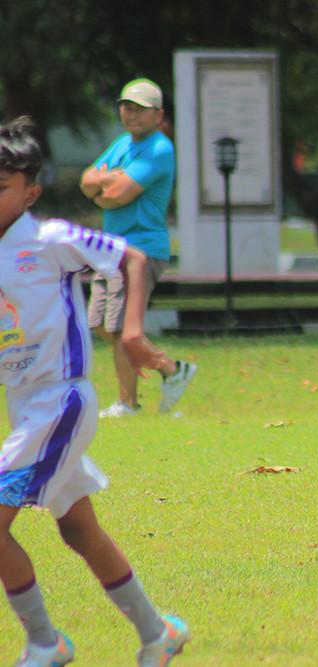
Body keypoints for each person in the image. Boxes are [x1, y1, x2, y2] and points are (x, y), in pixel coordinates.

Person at [0, 118, 190, 666]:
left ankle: (44, 642)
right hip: (25, 406)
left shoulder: (49, 239)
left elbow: (129, 256)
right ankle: (159, 634)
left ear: (29, 192)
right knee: (79, 531)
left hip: (59, 401)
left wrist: (130, 332)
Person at [80, 78, 196, 418]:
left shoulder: (159, 148)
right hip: (112, 249)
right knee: (99, 323)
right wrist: (104, 180)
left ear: (158, 115)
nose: (132, 115)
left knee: (117, 328)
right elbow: (85, 180)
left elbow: (116, 197)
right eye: (127, 107)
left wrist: (104, 185)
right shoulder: (121, 144)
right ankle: (172, 370)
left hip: (141, 251)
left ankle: (128, 404)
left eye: (141, 109)